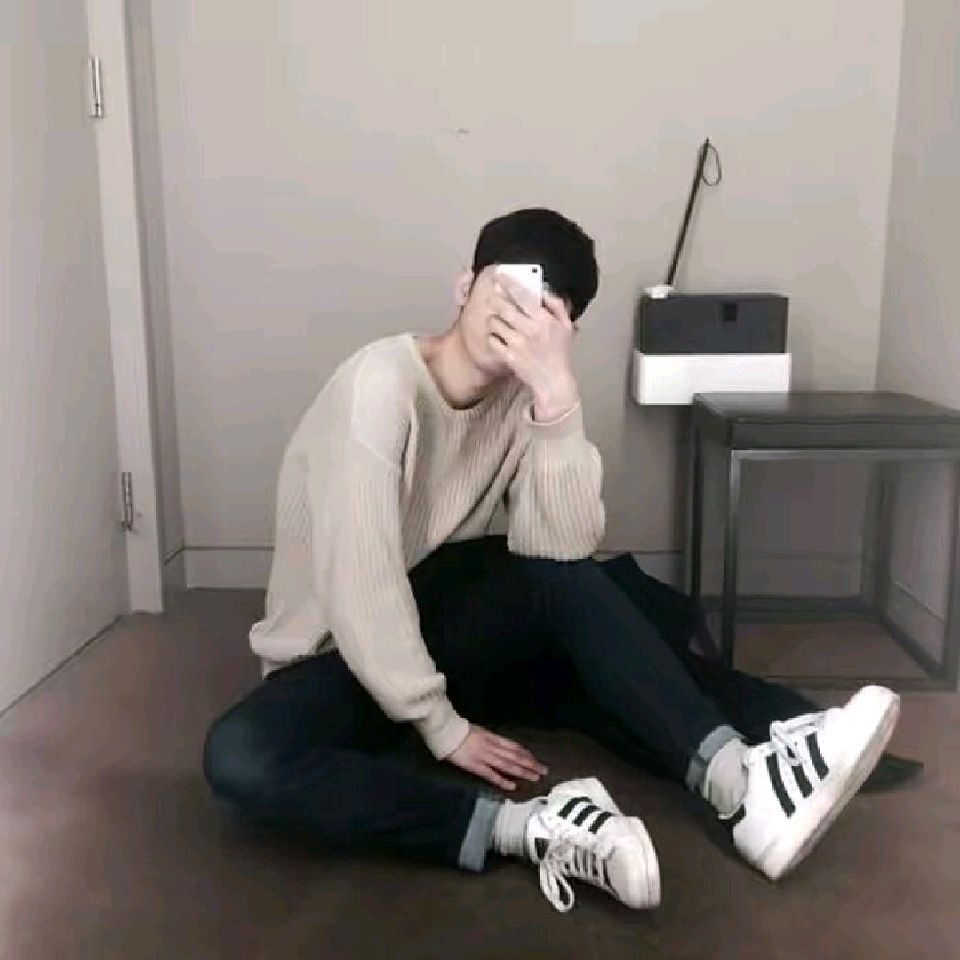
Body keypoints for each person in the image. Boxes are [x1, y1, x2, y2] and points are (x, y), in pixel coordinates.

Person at [203, 208, 901, 913]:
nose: (516, 315)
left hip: (440, 630)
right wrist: (440, 725)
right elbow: (362, 583)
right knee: (240, 755)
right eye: (504, 289)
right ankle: (531, 829)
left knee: (582, 608)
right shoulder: (378, 387)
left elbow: (561, 553)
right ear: (464, 287)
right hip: (335, 657)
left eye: (543, 308)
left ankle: (746, 778)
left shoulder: (525, 398)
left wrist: (556, 397)